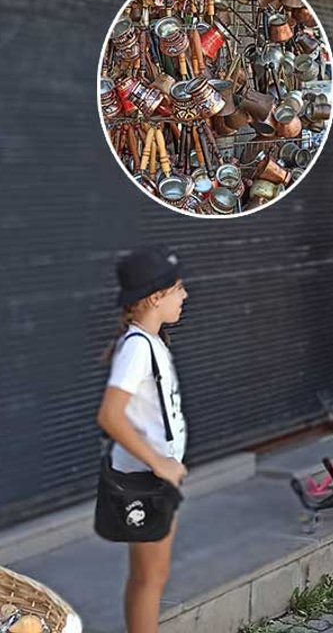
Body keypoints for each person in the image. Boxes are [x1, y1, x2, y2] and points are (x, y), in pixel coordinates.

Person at [96, 246, 189, 633]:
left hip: (154, 479)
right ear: (155, 297)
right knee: (150, 578)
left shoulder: (151, 341)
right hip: (144, 480)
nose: (185, 296)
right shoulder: (137, 348)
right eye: (178, 289)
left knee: (152, 575)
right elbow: (110, 416)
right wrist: (160, 462)